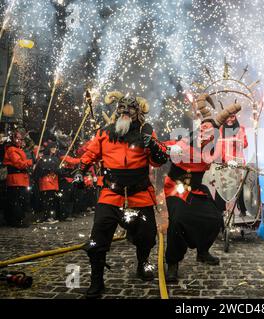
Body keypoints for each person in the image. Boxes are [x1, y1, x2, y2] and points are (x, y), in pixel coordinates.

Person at [77, 91, 168, 299]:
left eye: (130, 109)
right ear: (116, 111)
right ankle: (97, 280)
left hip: (140, 195)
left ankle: (143, 262)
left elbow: (159, 160)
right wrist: (79, 172)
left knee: (146, 236)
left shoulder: (147, 132)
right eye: (121, 108)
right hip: (111, 194)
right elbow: (90, 154)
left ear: (138, 112)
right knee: (97, 239)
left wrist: (152, 145)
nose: (125, 112)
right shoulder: (104, 132)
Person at [164, 94, 241, 282]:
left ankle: (203, 251)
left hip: (197, 189)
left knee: (215, 219)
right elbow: (164, 147)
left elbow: (225, 157)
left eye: (211, 130)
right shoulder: (185, 141)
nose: (206, 132)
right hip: (176, 188)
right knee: (178, 221)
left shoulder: (215, 147)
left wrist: (232, 162)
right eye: (204, 128)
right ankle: (173, 263)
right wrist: (168, 149)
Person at [215, 113, 248, 216]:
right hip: (225, 163)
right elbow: (219, 145)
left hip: (238, 163)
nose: (229, 119)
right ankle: (219, 211)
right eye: (227, 117)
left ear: (235, 117)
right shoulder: (220, 130)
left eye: (232, 117)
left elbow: (245, 144)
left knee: (240, 187)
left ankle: (243, 210)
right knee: (221, 185)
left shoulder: (240, 128)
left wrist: (238, 141)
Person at [2, 129, 33, 227]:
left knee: (20, 200)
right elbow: (19, 164)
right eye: (18, 139)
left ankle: (19, 219)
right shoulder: (11, 149)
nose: (20, 141)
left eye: (21, 139)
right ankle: (17, 220)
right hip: (16, 179)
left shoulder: (19, 149)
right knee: (16, 201)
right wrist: (30, 162)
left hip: (21, 179)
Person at [34, 141, 61, 223]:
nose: (54, 149)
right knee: (47, 201)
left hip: (52, 182)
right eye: (53, 147)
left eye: (55, 148)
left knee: (50, 200)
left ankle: (48, 216)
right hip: (46, 182)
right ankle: (46, 217)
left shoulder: (53, 158)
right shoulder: (44, 159)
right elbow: (40, 170)